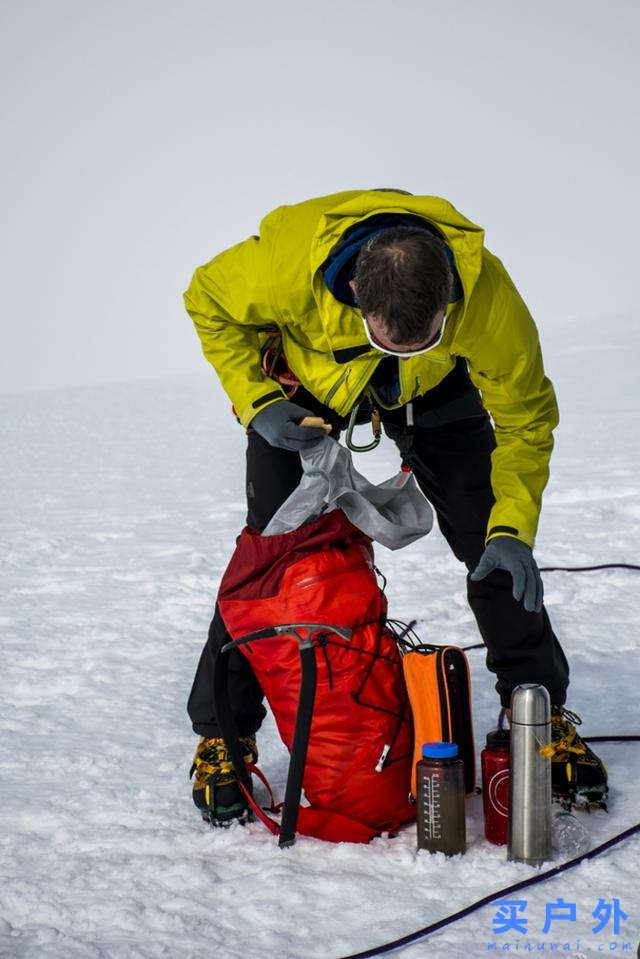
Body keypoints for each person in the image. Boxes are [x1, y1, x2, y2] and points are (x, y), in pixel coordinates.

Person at [183, 188, 607, 826]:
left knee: (492, 546)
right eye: (390, 338)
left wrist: (514, 527)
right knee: (272, 555)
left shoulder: (486, 299)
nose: (403, 349)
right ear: (354, 290)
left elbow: (525, 420)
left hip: (435, 397)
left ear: (449, 301)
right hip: (306, 389)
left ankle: (538, 710)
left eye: (426, 336)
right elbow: (207, 300)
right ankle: (223, 733)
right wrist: (257, 402)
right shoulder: (284, 268)